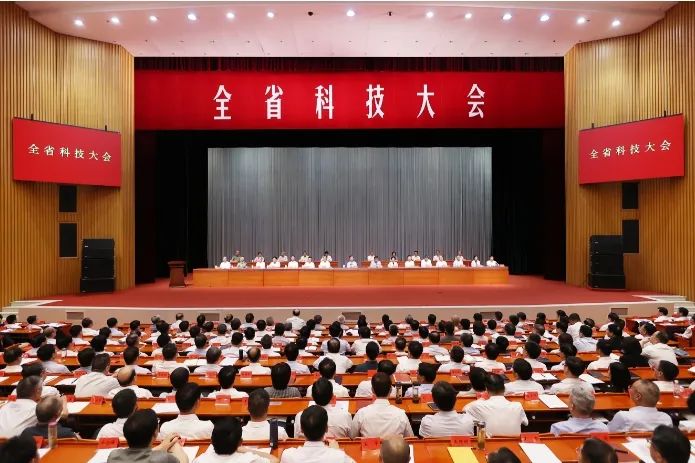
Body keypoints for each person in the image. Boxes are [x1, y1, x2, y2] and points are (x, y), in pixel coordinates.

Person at [107, 409, 188, 463]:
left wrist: (162, 446)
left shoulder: (113, 456)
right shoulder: (163, 458)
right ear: (155, 433)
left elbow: (138, 456)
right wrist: (176, 445)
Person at [282, 406, 355, 463]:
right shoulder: (340, 457)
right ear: (326, 428)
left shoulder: (287, 456)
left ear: (301, 429)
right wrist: (337, 451)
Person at [350, 372, 414, 438]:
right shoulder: (401, 414)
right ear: (391, 390)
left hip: (369, 445)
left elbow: (352, 437)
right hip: (394, 445)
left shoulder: (361, 413)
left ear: (372, 390)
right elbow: (410, 438)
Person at [463, 374, 528, 436]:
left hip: (487, 443)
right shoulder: (517, 406)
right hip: (515, 443)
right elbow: (526, 423)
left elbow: (464, 409)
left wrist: (482, 398)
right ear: (504, 389)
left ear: (486, 390)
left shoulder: (478, 405)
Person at [193, 418, 278, 463]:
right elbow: (275, 460)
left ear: (211, 441)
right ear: (240, 442)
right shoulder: (249, 459)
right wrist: (248, 450)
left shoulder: (200, 460)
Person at [607, 380, 673, 432]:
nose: (629, 389)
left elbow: (608, 431)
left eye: (631, 387)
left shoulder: (623, 416)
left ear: (637, 396)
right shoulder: (666, 418)